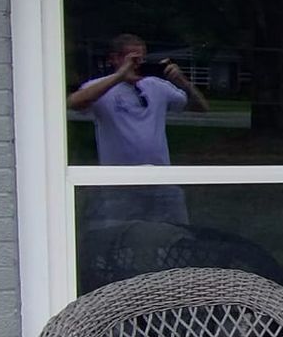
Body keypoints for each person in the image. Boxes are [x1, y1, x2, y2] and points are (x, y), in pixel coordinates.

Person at [69, 33, 208, 224]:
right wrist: (120, 76)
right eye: (132, 59)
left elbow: (201, 107)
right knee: (120, 237)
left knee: (174, 233)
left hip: (160, 180)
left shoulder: (157, 86)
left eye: (142, 58)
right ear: (115, 59)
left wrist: (182, 81)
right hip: (119, 185)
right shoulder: (100, 88)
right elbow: (74, 103)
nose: (138, 64)